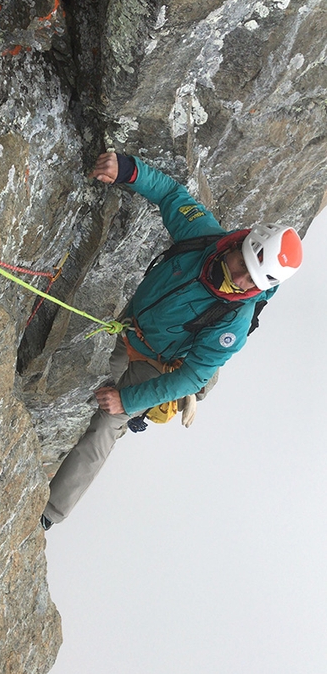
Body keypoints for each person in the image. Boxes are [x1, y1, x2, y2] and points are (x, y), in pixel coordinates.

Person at [41, 152, 303, 529]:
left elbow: (193, 377)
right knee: (79, 373)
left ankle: (49, 514)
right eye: (243, 267)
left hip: (153, 363)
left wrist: (128, 399)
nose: (242, 282)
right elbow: (170, 195)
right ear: (237, 245)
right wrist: (126, 170)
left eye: (254, 282)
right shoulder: (203, 237)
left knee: (107, 423)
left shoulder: (234, 320)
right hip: (129, 330)